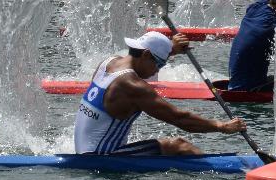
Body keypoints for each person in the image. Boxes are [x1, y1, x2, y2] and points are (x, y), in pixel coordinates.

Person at [74, 31, 247, 156]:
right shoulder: (133, 86)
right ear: (147, 54)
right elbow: (179, 118)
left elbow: (143, 61)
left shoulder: (108, 62)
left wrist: (168, 49)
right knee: (179, 146)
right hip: (100, 156)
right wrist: (221, 126)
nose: (157, 70)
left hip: (83, 148)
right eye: (159, 64)